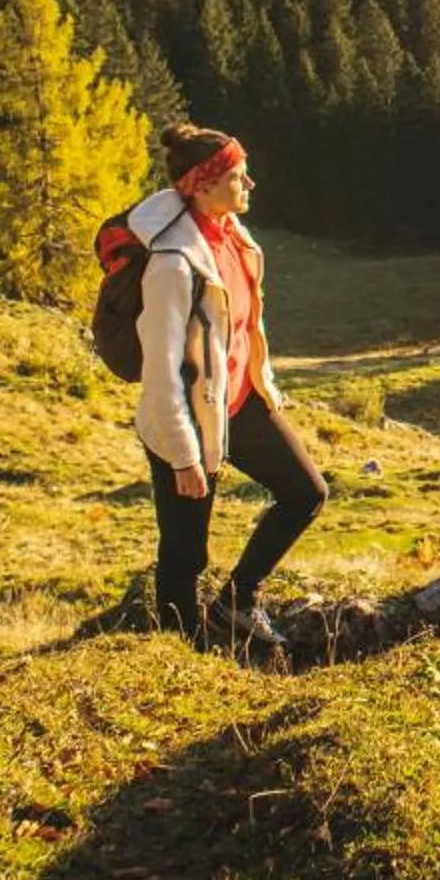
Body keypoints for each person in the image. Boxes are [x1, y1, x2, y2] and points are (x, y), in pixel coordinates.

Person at [129, 122, 325, 654]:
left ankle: (237, 601)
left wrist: (264, 384)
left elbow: (244, 326)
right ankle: (180, 655)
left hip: (238, 403)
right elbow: (161, 369)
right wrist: (183, 457)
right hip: (185, 422)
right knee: (185, 555)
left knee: (307, 492)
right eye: (238, 176)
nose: (250, 184)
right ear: (202, 185)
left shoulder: (233, 238)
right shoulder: (173, 264)